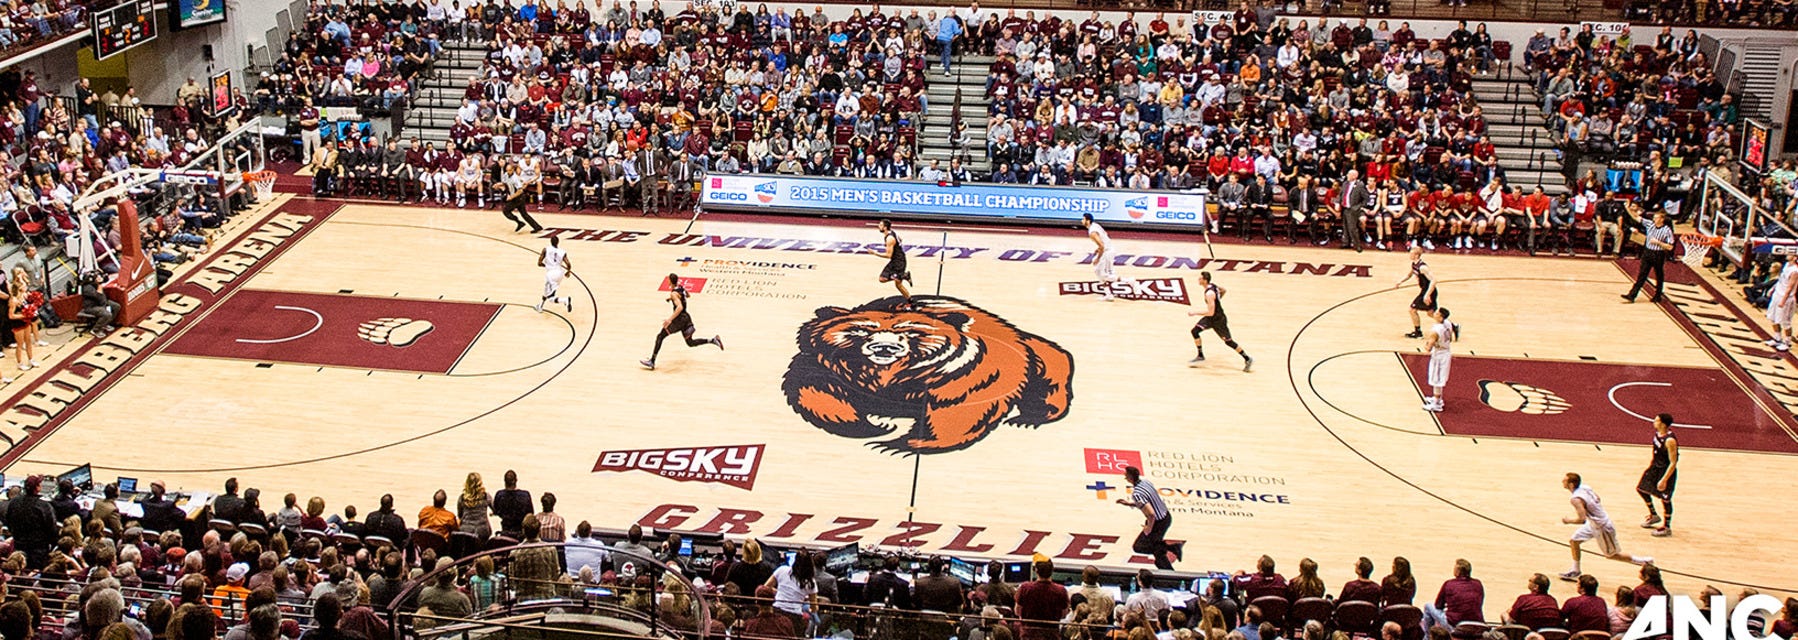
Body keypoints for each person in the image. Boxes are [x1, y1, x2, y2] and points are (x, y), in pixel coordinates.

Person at [1558, 472, 1655, 578]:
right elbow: (1598, 498)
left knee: (1612, 555)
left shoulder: (1575, 499)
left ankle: (1644, 561)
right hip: (1594, 523)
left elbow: (1582, 519)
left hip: (1602, 527)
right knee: (1574, 541)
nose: (1562, 481)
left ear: (1571, 484)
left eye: (1565, 480)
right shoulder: (1585, 487)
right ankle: (1575, 570)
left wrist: (1568, 521)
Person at [640, 273, 723, 370]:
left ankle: (652, 361)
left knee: (660, 336)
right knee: (690, 342)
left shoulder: (674, 294)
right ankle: (713, 340)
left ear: (670, 281)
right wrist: (672, 299)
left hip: (679, 320)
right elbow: (688, 295)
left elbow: (680, 307)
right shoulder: (680, 287)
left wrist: (669, 319)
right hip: (686, 318)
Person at [1185, 271, 1252, 372]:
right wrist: (1218, 300)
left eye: (1200, 278)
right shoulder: (1213, 286)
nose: (1198, 279)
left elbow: (1210, 312)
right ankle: (1200, 355)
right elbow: (1224, 290)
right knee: (1195, 331)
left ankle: (1247, 358)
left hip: (1218, 320)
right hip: (1211, 318)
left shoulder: (1209, 293)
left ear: (1205, 280)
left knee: (1228, 342)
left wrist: (1195, 313)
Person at [1117, 465, 1180, 570]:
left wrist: (1148, 528)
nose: (1124, 476)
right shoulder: (1146, 482)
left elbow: (1151, 514)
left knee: (1139, 547)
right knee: (1156, 549)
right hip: (1166, 517)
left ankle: (1172, 548)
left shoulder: (1137, 494)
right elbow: (1148, 502)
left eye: (1126, 474)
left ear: (1130, 477)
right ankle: (1168, 571)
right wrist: (1129, 504)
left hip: (1157, 523)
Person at [1636, 413, 1678, 538]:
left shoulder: (1670, 440)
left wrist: (1664, 479)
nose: (1653, 422)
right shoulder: (1658, 434)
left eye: (1656, 420)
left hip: (1665, 470)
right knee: (1641, 489)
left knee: (1665, 499)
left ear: (1663, 424)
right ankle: (1654, 515)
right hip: (1655, 467)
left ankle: (1667, 527)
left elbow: (1673, 462)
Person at [1621, 209, 1673, 303]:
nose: (1654, 219)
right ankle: (1632, 295)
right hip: (1647, 252)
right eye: (1654, 217)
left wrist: (1658, 242)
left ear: (1662, 219)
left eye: (1656, 218)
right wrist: (1627, 208)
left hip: (1658, 254)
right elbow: (1636, 217)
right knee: (1642, 274)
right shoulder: (1650, 224)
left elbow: (1670, 247)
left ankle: (1658, 295)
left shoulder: (1667, 230)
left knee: (1659, 275)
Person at [1015, 555, 1068, 640]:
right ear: (1052, 570)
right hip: (1051, 635)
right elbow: (1064, 615)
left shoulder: (1025, 588)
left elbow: (1017, 612)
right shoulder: (1061, 590)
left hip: (1028, 635)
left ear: (1036, 570)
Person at [1082, 213, 1132, 300]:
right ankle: (1108, 294)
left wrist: (1098, 258)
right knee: (1098, 272)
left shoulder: (1092, 232)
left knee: (1104, 275)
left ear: (1088, 221)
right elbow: (1104, 238)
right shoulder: (1095, 225)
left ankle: (1128, 281)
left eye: (1083, 219)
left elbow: (1102, 245)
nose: (1081, 221)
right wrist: (1098, 249)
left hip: (1107, 252)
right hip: (1107, 249)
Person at [1423, 559, 1484, 630]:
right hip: (1478, 624)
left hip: (1455, 624)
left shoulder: (1449, 584)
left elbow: (1438, 605)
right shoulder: (1478, 584)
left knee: (1428, 606)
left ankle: (1428, 635)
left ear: (1457, 572)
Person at [1396, 246, 1439, 338]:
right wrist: (1400, 282)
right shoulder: (1414, 264)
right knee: (1431, 313)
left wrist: (1427, 295)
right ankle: (1453, 326)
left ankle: (1418, 332)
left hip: (1429, 292)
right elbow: (1409, 275)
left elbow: (1434, 280)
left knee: (1412, 309)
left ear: (1416, 255)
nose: (1409, 255)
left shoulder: (1422, 267)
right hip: (1424, 291)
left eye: (1411, 254)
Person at [869, 219, 913, 305]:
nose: (878, 226)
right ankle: (904, 277)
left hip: (898, 262)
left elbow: (888, 255)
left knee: (890, 282)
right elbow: (900, 239)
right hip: (897, 260)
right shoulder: (892, 232)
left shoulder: (890, 238)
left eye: (880, 225)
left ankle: (903, 276)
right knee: (889, 281)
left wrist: (875, 253)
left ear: (885, 227)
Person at [1421, 307, 1456, 413]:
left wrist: (1427, 344)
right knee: (1438, 378)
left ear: (1441, 317)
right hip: (1446, 351)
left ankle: (1437, 404)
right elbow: (1452, 336)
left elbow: (1428, 348)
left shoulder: (1436, 331)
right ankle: (1437, 398)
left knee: (1436, 379)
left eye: (1437, 313)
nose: (1434, 314)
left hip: (1439, 355)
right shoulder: (1448, 323)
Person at [1765, 254, 1798, 351]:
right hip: (1777, 294)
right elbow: (1780, 280)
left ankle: (1787, 342)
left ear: (1795, 257)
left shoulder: (1795, 271)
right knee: (1773, 318)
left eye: (1790, 254)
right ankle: (1777, 338)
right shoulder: (1786, 265)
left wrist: (1783, 300)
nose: (1787, 255)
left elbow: (1790, 287)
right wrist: (1773, 289)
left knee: (1785, 322)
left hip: (1786, 298)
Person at [499, 162, 544, 233]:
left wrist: (511, 197)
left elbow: (520, 190)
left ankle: (519, 222)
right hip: (515, 196)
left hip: (519, 197)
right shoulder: (506, 175)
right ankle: (537, 227)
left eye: (509, 170)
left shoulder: (515, 178)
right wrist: (498, 185)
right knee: (524, 214)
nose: (508, 172)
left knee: (506, 211)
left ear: (513, 170)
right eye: (507, 170)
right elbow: (505, 183)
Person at [535, 237, 572, 313]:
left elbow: (539, 263)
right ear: (558, 242)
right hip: (559, 274)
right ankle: (540, 306)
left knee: (551, 298)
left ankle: (565, 300)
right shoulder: (562, 252)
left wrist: (546, 265)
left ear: (550, 241)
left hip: (551, 275)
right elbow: (568, 264)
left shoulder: (545, 249)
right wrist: (568, 272)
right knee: (547, 291)